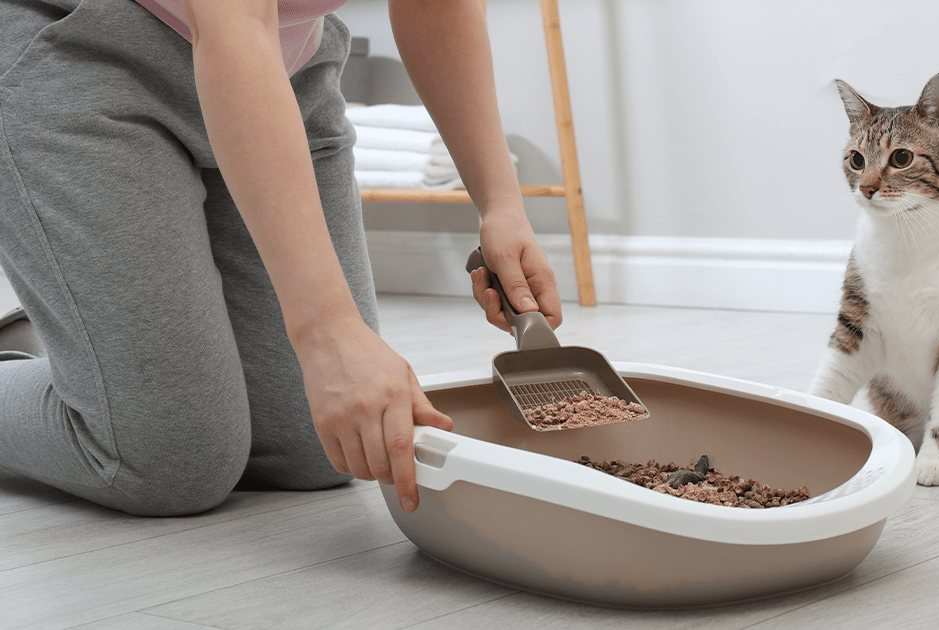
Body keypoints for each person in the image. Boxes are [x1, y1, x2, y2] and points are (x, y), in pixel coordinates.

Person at [0, 0, 561, 516]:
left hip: (288, 71)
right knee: (170, 462)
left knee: (321, 451)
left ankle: (98, 352)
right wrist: (328, 333)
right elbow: (232, 23)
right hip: (81, 59)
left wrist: (500, 204)